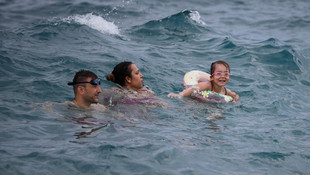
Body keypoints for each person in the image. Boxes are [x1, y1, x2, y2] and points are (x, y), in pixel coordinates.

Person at [101, 61, 167, 108]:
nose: (141, 75)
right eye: (137, 73)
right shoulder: (114, 91)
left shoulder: (144, 91)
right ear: (128, 79)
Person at [168, 60, 239, 102]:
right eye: (219, 73)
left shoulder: (226, 91)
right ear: (211, 77)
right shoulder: (207, 85)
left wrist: (235, 98)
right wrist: (180, 95)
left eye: (226, 74)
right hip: (195, 100)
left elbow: (234, 95)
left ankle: (213, 117)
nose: (223, 76)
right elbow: (193, 89)